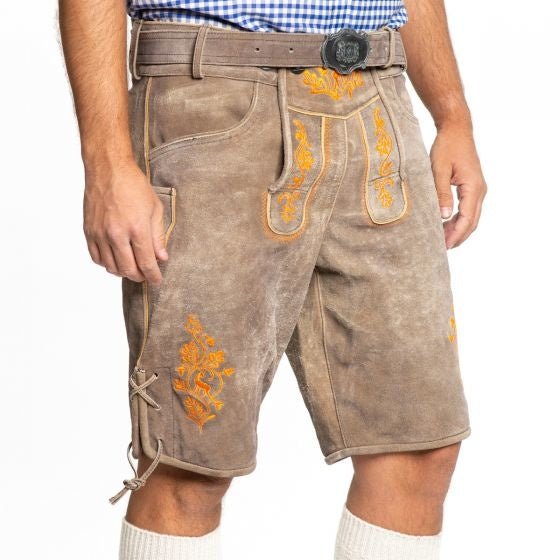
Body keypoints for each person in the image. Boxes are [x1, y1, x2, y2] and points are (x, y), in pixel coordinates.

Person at [59, 1, 487, 558]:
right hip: (212, 99)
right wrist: (106, 161)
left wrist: (453, 114)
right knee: (189, 460)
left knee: (419, 444)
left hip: (377, 104)